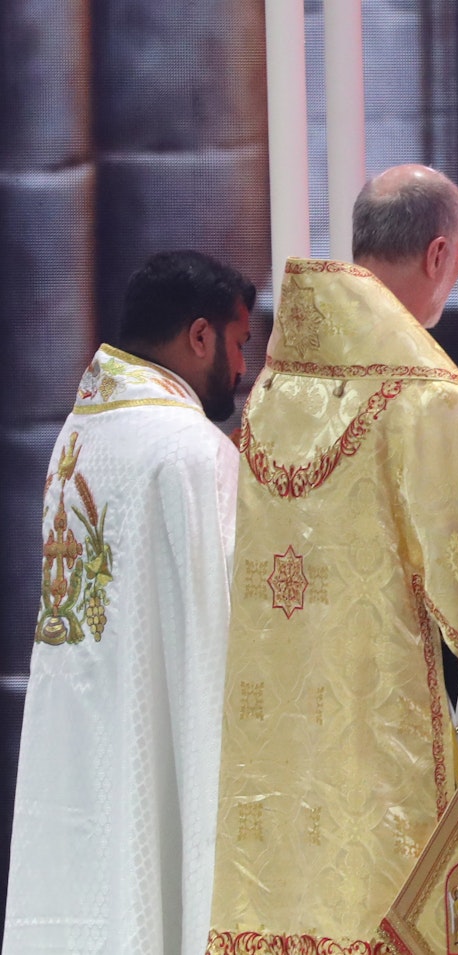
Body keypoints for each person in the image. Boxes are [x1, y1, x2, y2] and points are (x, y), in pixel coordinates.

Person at [206, 165, 458, 953]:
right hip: (397, 750)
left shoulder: (277, 386)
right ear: (440, 252)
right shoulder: (427, 397)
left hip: (290, 737)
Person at [4, 251, 254, 955]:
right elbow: (240, 615)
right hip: (159, 732)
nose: (239, 370)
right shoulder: (190, 451)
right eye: (238, 344)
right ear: (199, 336)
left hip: (88, 739)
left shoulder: (76, 436)